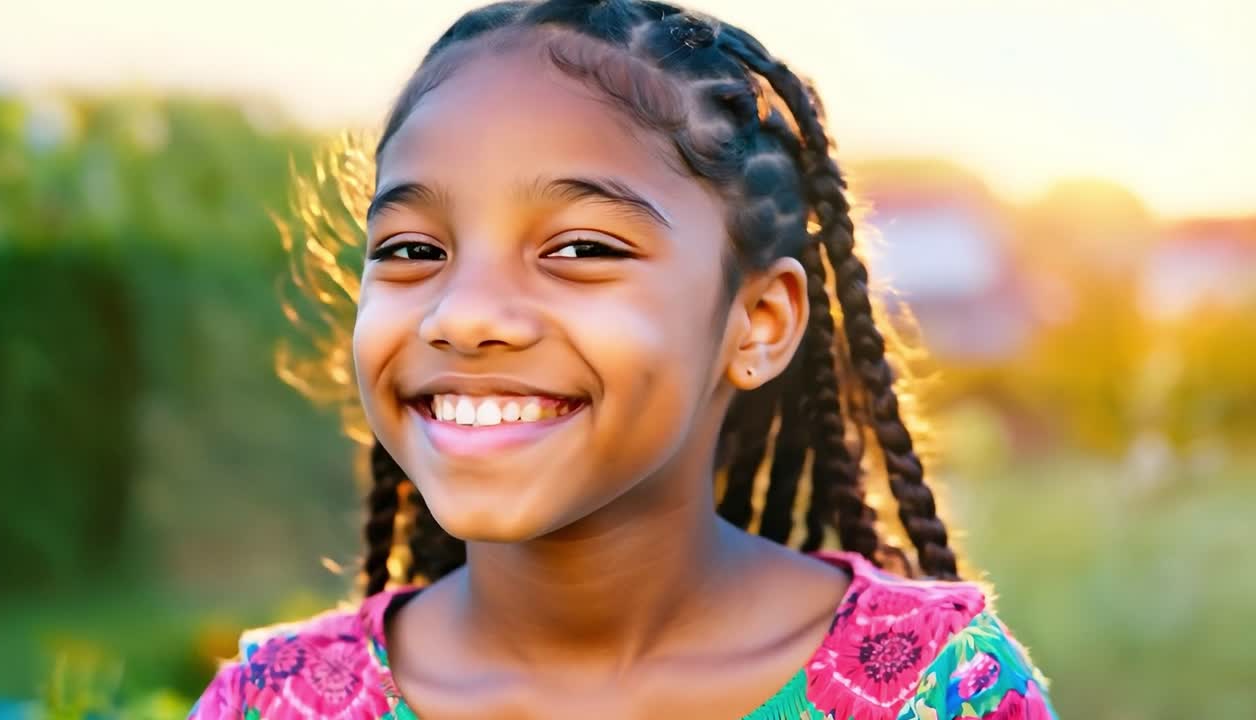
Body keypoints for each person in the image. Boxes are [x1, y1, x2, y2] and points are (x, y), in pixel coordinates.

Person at [189, 1, 1057, 718]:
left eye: (579, 248)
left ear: (756, 323)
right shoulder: (272, 702)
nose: (464, 316)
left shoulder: (939, 694)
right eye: (414, 250)